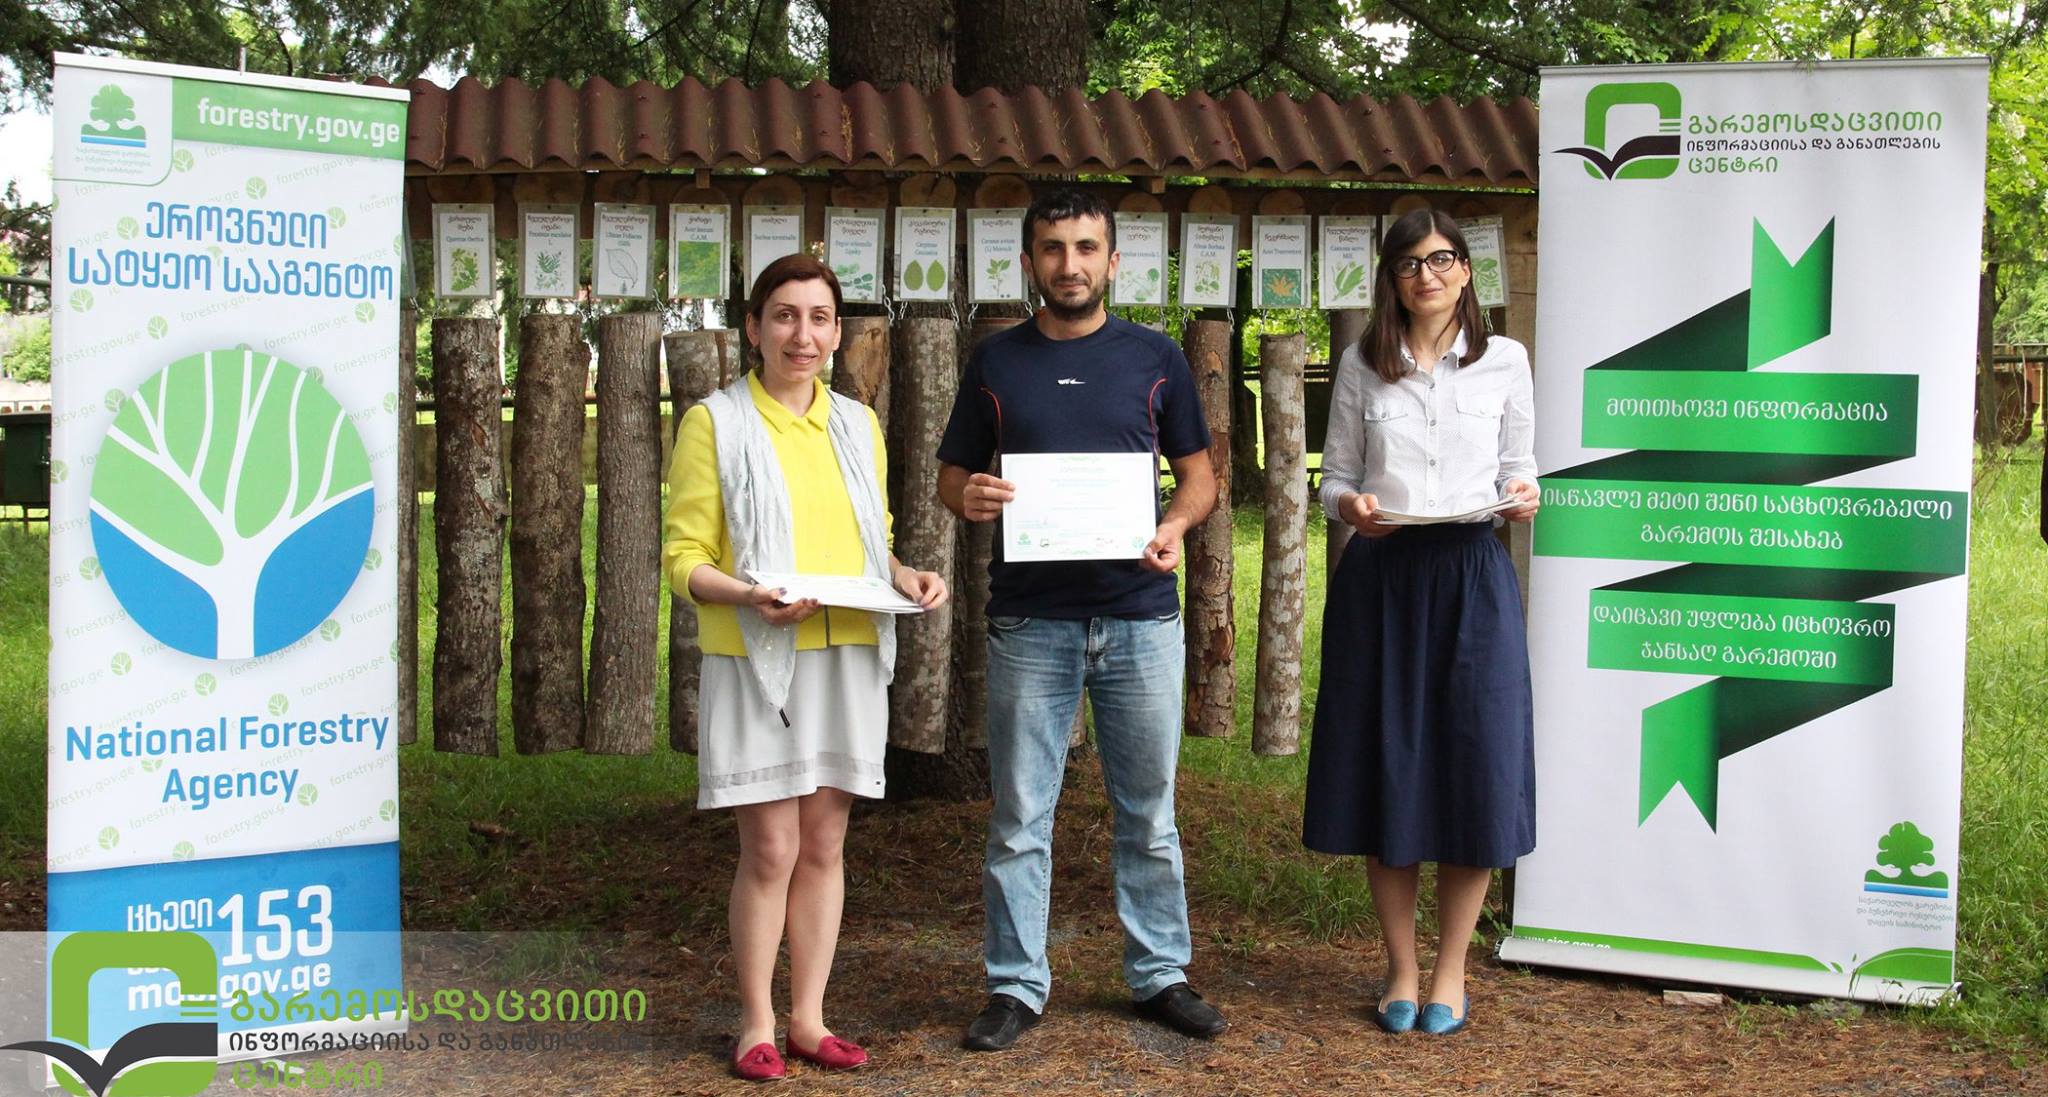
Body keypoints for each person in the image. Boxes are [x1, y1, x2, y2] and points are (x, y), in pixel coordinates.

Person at [935, 188, 1224, 1051]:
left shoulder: (1156, 357)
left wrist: (1174, 525)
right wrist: (969, 494)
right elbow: (952, 474)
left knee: (1150, 813)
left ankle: (1160, 973)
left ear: (1113, 260)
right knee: (1020, 816)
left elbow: (1200, 476)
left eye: (1086, 247)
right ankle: (1015, 984)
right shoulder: (995, 361)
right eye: (1054, 249)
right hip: (1031, 623)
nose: (1070, 265)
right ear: (1029, 261)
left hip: (1140, 618)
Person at [662, 254, 949, 1080]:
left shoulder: (857, 424)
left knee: (824, 841)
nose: (803, 334)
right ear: (753, 328)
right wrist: (750, 596)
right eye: (784, 315)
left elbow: (870, 540)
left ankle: (809, 1019)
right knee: (772, 847)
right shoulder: (715, 422)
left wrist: (907, 575)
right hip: (759, 658)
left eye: (819, 317)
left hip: (848, 651)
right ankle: (755, 1021)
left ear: (838, 332)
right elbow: (683, 558)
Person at [1301, 208, 1540, 1037]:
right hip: (1384, 579)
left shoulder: (1505, 359)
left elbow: (1520, 468)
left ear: (1466, 270)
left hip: (1473, 574)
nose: (1426, 275)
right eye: (1409, 264)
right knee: (1390, 764)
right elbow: (1333, 478)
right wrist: (1350, 507)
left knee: (1476, 766)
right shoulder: (1361, 364)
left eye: (1440, 260)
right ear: (1392, 278)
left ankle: (1451, 971)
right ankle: (1401, 967)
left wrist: (1527, 493)